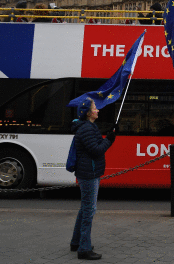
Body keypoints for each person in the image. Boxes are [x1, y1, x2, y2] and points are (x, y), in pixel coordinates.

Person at [70, 98, 116, 260]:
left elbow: (95, 145)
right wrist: (109, 140)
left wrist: (108, 136)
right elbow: (96, 150)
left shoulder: (88, 127)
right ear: (88, 113)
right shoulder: (87, 129)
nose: (98, 110)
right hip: (89, 173)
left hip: (89, 172)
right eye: (95, 108)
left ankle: (76, 242)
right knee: (89, 210)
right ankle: (83, 248)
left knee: (85, 208)